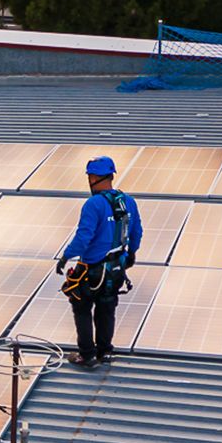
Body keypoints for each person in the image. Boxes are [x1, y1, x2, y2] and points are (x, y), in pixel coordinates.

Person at [55, 155, 142, 368]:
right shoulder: (127, 201)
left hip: (93, 269)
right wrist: (131, 254)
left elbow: (84, 238)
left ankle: (87, 355)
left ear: (93, 177)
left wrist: (66, 256)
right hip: (116, 268)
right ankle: (105, 352)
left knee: (81, 306)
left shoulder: (93, 204)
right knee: (107, 308)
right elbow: (137, 231)